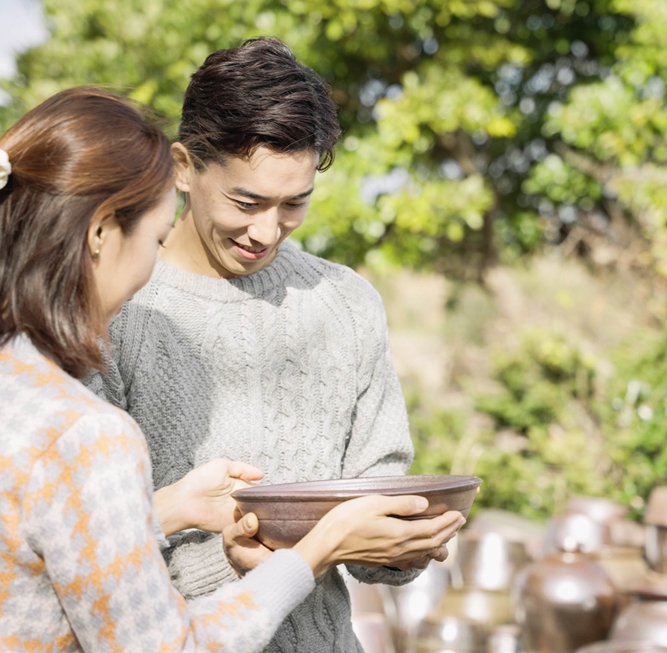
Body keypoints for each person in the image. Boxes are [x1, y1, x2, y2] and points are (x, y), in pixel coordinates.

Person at [0, 86, 464, 651]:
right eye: (154, 238)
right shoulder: (83, 430)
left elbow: (7, 540)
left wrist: (168, 508)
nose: (151, 266)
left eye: (294, 203)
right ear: (100, 232)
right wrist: (317, 547)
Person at [86, 36, 450, 653]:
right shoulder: (118, 307)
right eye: (245, 201)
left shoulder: (346, 302)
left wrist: (405, 542)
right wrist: (231, 564)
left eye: (294, 204)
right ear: (182, 166)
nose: (265, 231)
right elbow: (84, 544)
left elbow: (377, 511)